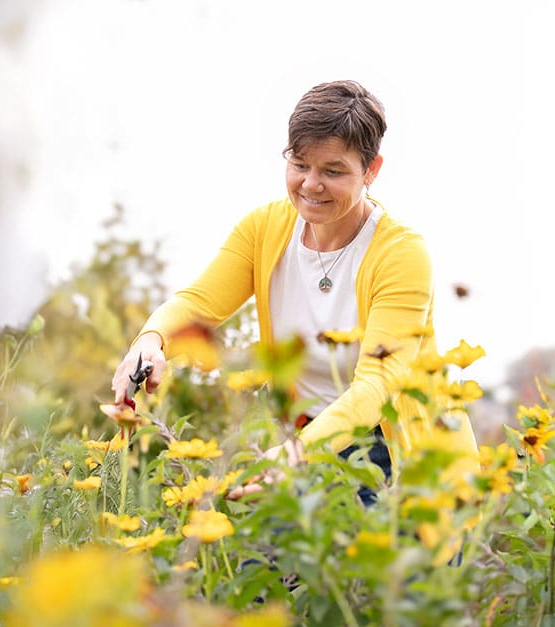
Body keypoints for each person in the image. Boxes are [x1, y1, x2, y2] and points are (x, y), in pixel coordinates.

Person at [111, 79, 478, 500]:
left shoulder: (401, 253)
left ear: (372, 170)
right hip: (301, 437)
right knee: (267, 562)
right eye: (300, 164)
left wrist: (295, 455)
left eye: (333, 171)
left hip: (400, 458)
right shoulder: (265, 228)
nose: (310, 185)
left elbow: (378, 386)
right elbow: (198, 303)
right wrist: (151, 341)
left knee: (358, 565)